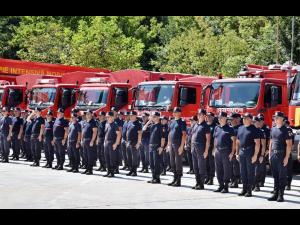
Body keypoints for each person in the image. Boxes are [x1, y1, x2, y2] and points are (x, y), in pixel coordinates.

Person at [268, 112, 293, 202]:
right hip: (274, 155)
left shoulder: (286, 130)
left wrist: (286, 157)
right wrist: (270, 155)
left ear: (282, 119)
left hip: (282, 155)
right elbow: (271, 142)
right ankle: (275, 193)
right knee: (275, 175)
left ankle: (280, 195)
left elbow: (289, 145)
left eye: (277, 117)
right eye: (275, 117)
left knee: (282, 176)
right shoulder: (273, 129)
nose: (275, 119)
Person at [236, 113, 261, 197]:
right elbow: (238, 142)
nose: (244, 119)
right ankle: (244, 189)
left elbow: (257, 144)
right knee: (242, 172)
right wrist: (237, 153)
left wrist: (255, 155)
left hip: (250, 152)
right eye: (243, 118)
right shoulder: (240, 128)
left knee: (250, 172)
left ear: (250, 119)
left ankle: (249, 190)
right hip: (241, 151)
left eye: (246, 118)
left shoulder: (254, 129)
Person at [213, 112, 236, 193]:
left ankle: (226, 187)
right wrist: (214, 150)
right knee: (218, 169)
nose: (219, 119)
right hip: (217, 151)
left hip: (226, 152)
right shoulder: (216, 128)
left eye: (221, 117)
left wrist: (232, 153)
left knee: (226, 170)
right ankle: (220, 185)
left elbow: (234, 141)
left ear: (225, 118)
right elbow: (215, 139)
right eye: (219, 118)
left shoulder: (230, 129)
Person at [190, 109, 210, 190]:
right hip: (194, 148)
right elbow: (192, 136)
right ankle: (197, 182)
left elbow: (208, 140)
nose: (198, 116)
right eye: (198, 114)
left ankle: (201, 184)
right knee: (195, 167)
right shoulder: (195, 125)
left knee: (201, 166)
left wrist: (206, 151)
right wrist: (191, 147)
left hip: (201, 148)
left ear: (204, 116)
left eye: (200, 114)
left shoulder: (206, 126)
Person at [167, 107, 187, 187]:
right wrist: (168, 145)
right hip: (171, 144)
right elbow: (169, 133)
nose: (173, 113)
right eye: (173, 112)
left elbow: (184, 134)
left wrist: (182, 146)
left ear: (179, 113)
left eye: (175, 112)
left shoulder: (182, 122)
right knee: (172, 162)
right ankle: (174, 179)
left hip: (178, 144)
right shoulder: (171, 121)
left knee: (178, 162)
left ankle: (178, 181)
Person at [144, 112, 166, 184]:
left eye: (154, 116)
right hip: (151, 146)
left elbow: (163, 138)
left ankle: (157, 178)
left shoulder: (160, 126)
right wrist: (149, 121)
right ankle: (153, 177)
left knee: (156, 163)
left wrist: (161, 147)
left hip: (157, 146)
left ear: (158, 117)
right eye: (152, 116)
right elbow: (144, 129)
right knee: (151, 163)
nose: (153, 118)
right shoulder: (152, 125)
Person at [103, 111, 121, 178]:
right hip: (106, 143)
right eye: (107, 117)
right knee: (107, 158)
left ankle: (112, 172)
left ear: (112, 117)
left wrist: (116, 144)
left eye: (109, 116)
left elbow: (119, 134)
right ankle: (108, 172)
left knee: (112, 158)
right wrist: (104, 142)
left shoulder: (115, 124)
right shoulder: (107, 124)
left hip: (112, 143)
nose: (107, 118)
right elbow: (106, 134)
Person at [252, 116, 267, 192]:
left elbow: (263, 145)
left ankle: (257, 185)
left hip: (258, 154)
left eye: (255, 122)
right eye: (253, 122)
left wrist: (262, 155)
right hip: (250, 153)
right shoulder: (249, 130)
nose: (253, 123)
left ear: (258, 123)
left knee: (257, 171)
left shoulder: (261, 131)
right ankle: (252, 185)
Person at [81, 109, 98, 175]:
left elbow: (95, 132)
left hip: (89, 141)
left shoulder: (93, 122)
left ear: (91, 115)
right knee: (85, 156)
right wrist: (82, 140)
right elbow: (83, 131)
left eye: (88, 114)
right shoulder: (85, 122)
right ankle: (87, 169)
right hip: (85, 140)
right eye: (86, 114)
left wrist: (92, 141)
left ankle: (90, 170)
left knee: (89, 156)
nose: (87, 115)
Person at [126, 111, 142, 176]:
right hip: (129, 142)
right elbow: (127, 132)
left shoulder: (138, 123)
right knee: (129, 157)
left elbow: (140, 133)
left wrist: (138, 143)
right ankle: (131, 170)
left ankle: (134, 171)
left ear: (135, 116)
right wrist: (127, 141)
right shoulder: (129, 122)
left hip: (135, 142)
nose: (131, 116)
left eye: (132, 115)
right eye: (130, 115)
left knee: (134, 157)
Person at [257, 113, 270, 187]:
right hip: (257, 149)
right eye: (259, 120)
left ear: (263, 121)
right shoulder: (256, 128)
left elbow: (269, 140)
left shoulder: (266, 129)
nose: (260, 121)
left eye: (261, 120)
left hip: (264, 150)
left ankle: (261, 181)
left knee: (262, 167)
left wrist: (267, 149)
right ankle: (256, 180)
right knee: (257, 166)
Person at [229, 112, 242, 188]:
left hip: (237, 150)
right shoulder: (230, 128)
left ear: (238, 119)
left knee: (235, 166)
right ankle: (232, 180)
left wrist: (236, 152)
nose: (230, 121)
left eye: (232, 119)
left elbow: (238, 141)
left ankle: (236, 181)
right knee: (231, 166)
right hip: (229, 149)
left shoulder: (240, 128)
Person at [205, 112, 217, 185]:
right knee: (206, 163)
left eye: (210, 116)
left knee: (211, 163)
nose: (208, 118)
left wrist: (214, 149)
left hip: (212, 147)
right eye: (207, 116)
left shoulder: (215, 126)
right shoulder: (205, 125)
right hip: (205, 147)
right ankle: (207, 177)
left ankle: (211, 179)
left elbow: (215, 138)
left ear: (213, 117)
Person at [111, 107, 123, 174]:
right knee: (112, 154)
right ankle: (112, 167)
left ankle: (116, 168)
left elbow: (120, 130)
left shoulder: (118, 120)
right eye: (112, 111)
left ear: (116, 112)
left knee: (116, 154)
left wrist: (118, 141)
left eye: (114, 111)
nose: (112, 112)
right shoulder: (111, 119)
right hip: (111, 139)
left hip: (116, 140)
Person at [284, 117, 294, 191]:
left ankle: (288, 184)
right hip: (281, 152)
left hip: (287, 151)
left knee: (288, 169)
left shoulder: (288, 130)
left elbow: (291, 143)